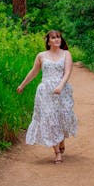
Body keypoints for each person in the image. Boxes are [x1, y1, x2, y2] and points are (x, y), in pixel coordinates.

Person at [17, 30, 78, 164]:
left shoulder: (66, 54)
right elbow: (34, 72)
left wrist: (60, 86)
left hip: (62, 90)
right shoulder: (41, 56)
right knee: (50, 118)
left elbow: (67, 73)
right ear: (48, 41)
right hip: (45, 91)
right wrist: (22, 85)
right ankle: (57, 153)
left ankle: (61, 139)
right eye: (53, 38)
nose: (57, 40)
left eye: (58, 37)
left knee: (62, 116)